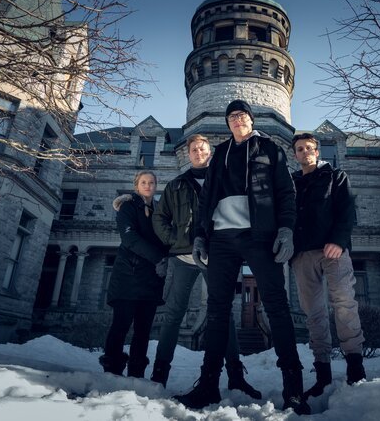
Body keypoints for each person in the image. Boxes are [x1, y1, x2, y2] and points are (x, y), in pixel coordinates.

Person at [174, 100, 310, 415]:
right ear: (228, 122)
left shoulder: (269, 150)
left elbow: (286, 193)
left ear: (250, 119)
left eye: (242, 115)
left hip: (259, 236)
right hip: (222, 237)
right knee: (218, 309)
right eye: (232, 116)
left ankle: (294, 388)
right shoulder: (219, 153)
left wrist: (286, 230)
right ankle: (208, 384)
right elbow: (207, 197)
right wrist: (200, 235)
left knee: (276, 305)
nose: (237, 120)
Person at [150, 134, 261, 399]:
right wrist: (174, 240)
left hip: (216, 257)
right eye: (193, 149)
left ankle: (236, 375)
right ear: (187, 154)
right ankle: (158, 375)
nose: (198, 152)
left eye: (202, 148)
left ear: (209, 152)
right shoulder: (176, 184)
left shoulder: (222, 180)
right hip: (183, 258)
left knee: (223, 316)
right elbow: (159, 217)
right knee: (173, 314)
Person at [290, 133, 366, 398]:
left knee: (343, 303)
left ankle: (355, 368)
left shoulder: (336, 176)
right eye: (300, 149)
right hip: (302, 254)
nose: (305, 152)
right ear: (295, 154)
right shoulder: (292, 183)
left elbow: (347, 210)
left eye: (309, 148)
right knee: (314, 312)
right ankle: (322, 372)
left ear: (317, 151)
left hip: (332, 250)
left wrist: (337, 240)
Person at [100, 171, 169, 379]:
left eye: (151, 182)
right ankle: (112, 370)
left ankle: (137, 372)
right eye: (143, 182)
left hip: (151, 279)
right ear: (137, 186)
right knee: (120, 325)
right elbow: (130, 240)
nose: (148, 185)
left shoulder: (160, 211)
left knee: (143, 330)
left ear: (156, 186)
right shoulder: (127, 207)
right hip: (128, 276)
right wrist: (159, 258)